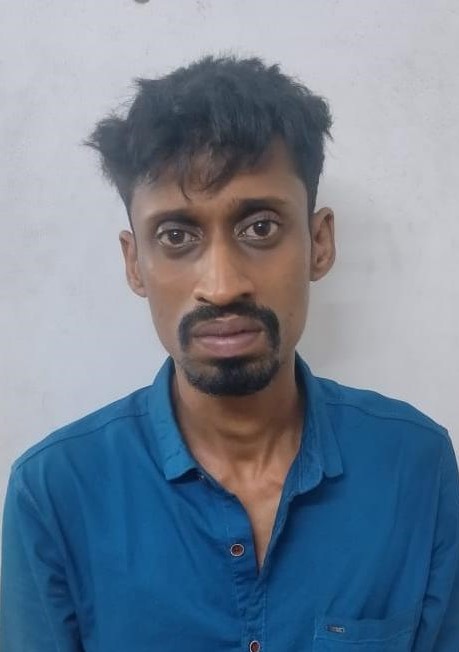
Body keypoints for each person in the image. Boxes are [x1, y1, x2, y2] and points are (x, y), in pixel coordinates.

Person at [1, 55, 458, 652]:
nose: (221, 286)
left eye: (260, 228)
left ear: (319, 243)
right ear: (134, 263)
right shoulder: (55, 493)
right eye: (176, 236)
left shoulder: (414, 465)